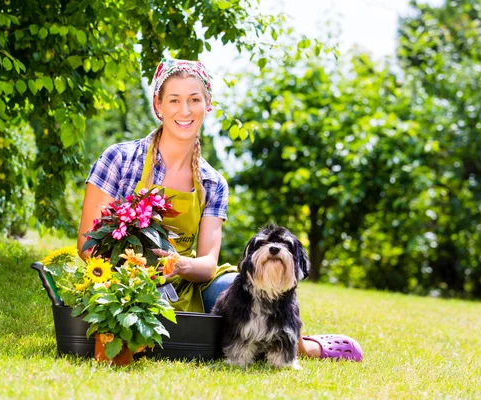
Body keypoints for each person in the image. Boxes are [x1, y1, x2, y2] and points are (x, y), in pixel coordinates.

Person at [77, 58, 362, 362]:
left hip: (187, 284)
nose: (184, 110)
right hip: (124, 277)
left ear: (207, 104)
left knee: (237, 284)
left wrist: (181, 265)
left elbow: (207, 266)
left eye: (194, 100)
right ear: (157, 105)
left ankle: (297, 344)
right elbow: (87, 244)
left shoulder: (213, 182)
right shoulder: (119, 159)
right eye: (174, 100)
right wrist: (134, 273)